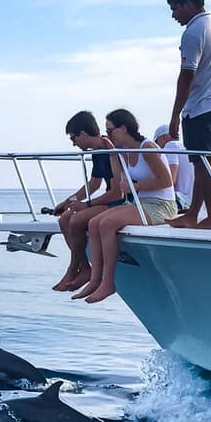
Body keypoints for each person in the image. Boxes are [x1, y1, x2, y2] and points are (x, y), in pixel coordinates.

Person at [73, 109, 177, 304]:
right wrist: (112, 151)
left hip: (162, 205)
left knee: (107, 224)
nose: (108, 134)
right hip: (141, 202)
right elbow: (118, 181)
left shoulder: (147, 147)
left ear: (123, 128)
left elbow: (166, 181)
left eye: (110, 130)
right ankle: (95, 278)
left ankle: (108, 283)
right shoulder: (125, 151)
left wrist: (136, 186)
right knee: (95, 222)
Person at [166, 0, 211, 229]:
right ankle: (193, 213)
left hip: (201, 106)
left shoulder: (193, 32)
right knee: (202, 162)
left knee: (204, 163)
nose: (174, 15)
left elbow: (187, 76)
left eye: (175, 8)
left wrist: (174, 116)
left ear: (189, 4)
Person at [51, 111, 120, 292]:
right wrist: (68, 202)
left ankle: (74, 268)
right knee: (64, 218)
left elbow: (116, 193)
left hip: (118, 201)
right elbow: (94, 183)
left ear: (83, 134)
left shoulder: (108, 149)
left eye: (73, 138)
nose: (74, 143)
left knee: (76, 219)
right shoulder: (98, 151)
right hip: (109, 197)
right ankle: (84, 268)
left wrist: (87, 205)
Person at [153, 123, 194, 211]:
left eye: (156, 143)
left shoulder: (170, 146)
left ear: (163, 138)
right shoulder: (186, 147)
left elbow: (171, 180)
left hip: (181, 200)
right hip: (194, 200)